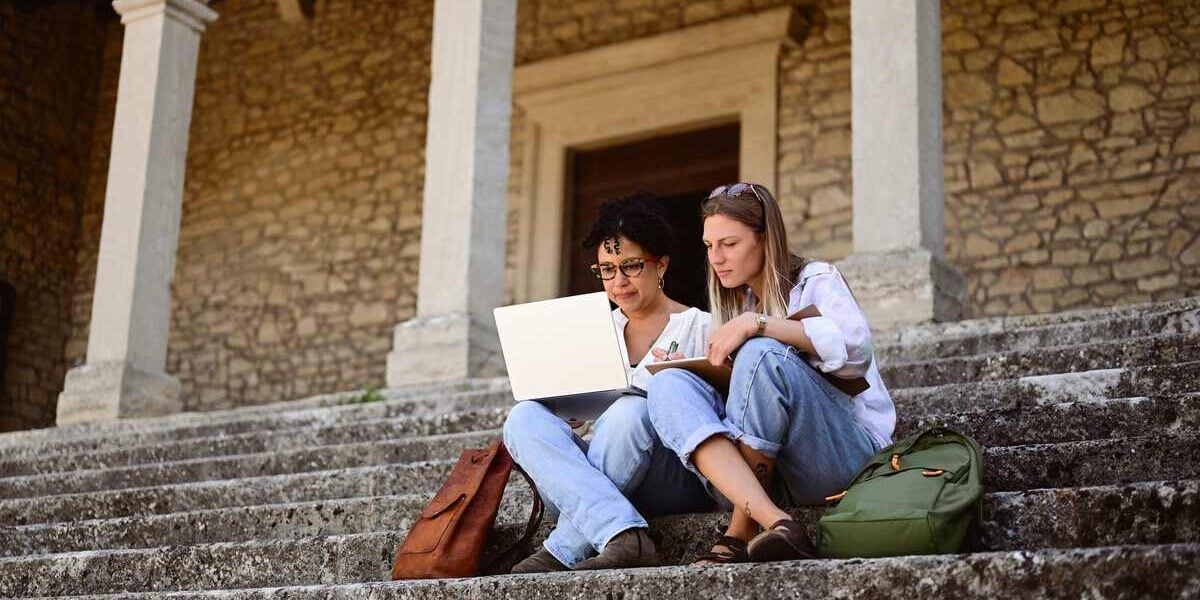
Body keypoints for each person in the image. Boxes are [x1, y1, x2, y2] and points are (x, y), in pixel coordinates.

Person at [646, 182, 895, 564]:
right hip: (776, 476)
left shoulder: (815, 279)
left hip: (841, 455)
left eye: (729, 244)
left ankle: (739, 530)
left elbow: (855, 350)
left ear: (765, 240)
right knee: (668, 382)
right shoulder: (737, 303)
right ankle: (778, 521)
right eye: (709, 246)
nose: (716, 257)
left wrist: (758, 325)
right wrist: (696, 370)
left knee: (761, 352)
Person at [503, 193, 714, 573]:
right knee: (523, 418)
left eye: (631, 266)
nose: (619, 282)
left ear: (661, 265)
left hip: (668, 476)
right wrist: (563, 409)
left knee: (631, 410)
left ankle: (565, 548)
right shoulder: (593, 331)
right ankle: (620, 532)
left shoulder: (700, 326)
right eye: (606, 269)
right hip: (593, 478)